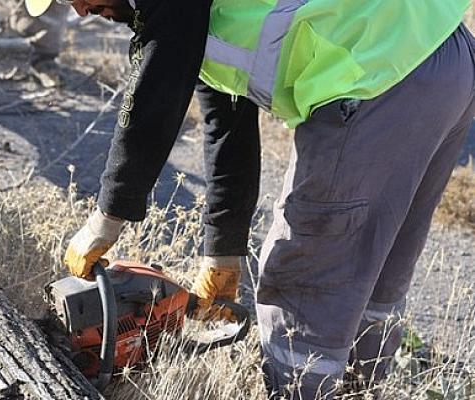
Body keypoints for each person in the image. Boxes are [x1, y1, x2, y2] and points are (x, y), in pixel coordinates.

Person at [28, 0, 475, 398]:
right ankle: (366, 387)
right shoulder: (196, 13)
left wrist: (106, 218)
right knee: (373, 270)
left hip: (378, 74)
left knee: (301, 285)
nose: (79, 11)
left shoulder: (171, 9)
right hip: (440, 53)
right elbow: (226, 125)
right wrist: (222, 252)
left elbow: (153, 96)